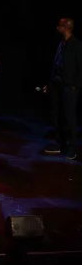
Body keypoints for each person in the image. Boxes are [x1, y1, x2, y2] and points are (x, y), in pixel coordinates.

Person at [43, 18, 81, 160]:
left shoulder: (76, 45)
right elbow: (56, 64)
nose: (57, 28)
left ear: (65, 27)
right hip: (57, 85)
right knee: (57, 115)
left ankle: (72, 148)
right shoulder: (61, 44)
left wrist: (74, 85)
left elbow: (80, 68)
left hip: (69, 86)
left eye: (59, 25)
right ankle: (61, 144)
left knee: (70, 118)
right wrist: (50, 83)